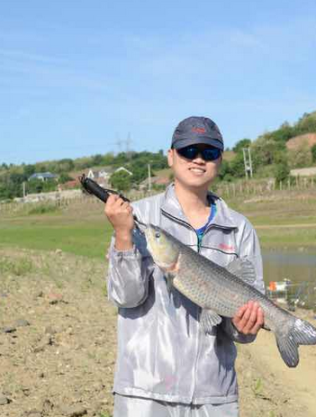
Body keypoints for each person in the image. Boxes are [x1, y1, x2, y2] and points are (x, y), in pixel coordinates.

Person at [104, 116, 265, 417]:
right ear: (171, 156)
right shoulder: (138, 218)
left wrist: (245, 328)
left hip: (214, 397)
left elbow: (240, 330)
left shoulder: (240, 229)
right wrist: (123, 235)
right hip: (144, 393)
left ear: (220, 159)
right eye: (189, 151)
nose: (198, 160)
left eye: (209, 152)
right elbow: (125, 297)